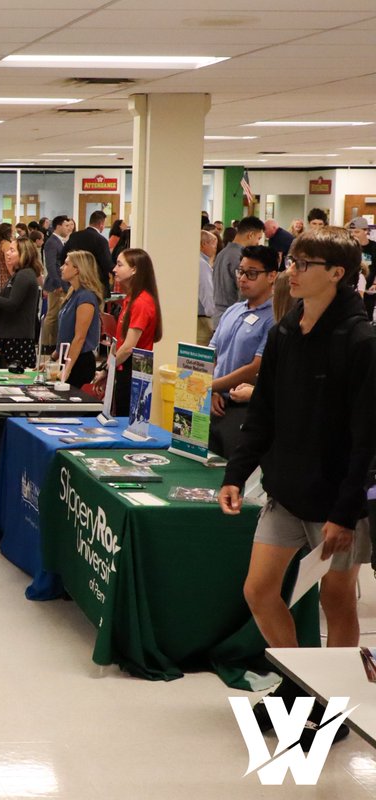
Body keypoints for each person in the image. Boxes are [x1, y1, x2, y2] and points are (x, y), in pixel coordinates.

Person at [219, 226, 376, 742]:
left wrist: (345, 512)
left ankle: (335, 713)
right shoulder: (285, 329)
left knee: (338, 604)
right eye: (293, 260)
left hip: (337, 501)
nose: (293, 270)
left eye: (303, 263)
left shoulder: (361, 340)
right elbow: (263, 411)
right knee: (259, 590)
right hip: (285, 489)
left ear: (336, 273)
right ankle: (302, 687)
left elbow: (365, 438)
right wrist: (237, 473)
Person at [208, 245, 278, 460]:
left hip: (245, 408)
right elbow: (212, 352)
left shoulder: (274, 317)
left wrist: (209, 386)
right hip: (216, 404)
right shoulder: (233, 310)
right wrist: (212, 390)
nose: (243, 279)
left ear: (272, 276)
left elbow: (255, 368)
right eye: (241, 271)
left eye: (252, 274)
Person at [108, 249, 162, 417]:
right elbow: (120, 342)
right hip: (124, 369)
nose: (114, 269)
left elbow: (129, 347)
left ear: (134, 269)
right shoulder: (130, 299)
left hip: (135, 371)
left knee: (130, 425)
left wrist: (108, 369)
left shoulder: (142, 302)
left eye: (119, 265)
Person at [0, 237, 41, 368]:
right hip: (9, 336)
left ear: (24, 253)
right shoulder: (19, 275)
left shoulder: (25, 275)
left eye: (12, 250)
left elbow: (11, 305)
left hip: (17, 339)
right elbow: (4, 303)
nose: (7, 253)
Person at [53, 251, 103, 387]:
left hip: (79, 362)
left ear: (77, 270)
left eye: (66, 264)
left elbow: (79, 337)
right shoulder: (73, 294)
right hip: (68, 358)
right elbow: (66, 333)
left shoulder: (86, 297)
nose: (62, 267)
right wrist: (52, 359)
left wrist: (67, 369)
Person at [214, 216, 264, 325]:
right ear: (250, 235)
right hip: (232, 318)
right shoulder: (240, 258)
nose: (258, 243)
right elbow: (243, 291)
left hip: (218, 316)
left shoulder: (222, 253)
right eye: (258, 238)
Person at [40, 214, 72, 348]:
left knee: (57, 314)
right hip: (56, 284)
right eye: (66, 226)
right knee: (52, 315)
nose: (68, 228)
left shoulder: (60, 241)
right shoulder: (52, 242)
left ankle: (53, 342)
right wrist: (58, 284)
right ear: (58, 226)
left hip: (62, 283)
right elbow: (51, 265)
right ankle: (47, 344)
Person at [62, 211, 114, 292]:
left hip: (76, 281)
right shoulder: (101, 240)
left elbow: (63, 256)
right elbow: (106, 264)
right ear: (101, 224)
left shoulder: (74, 236)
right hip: (96, 283)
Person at [197, 230, 216, 346]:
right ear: (204, 244)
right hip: (202, 322)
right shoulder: (202, 265)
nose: (215, 248)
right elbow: (207, 292)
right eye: (213, 243)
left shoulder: (199, 261)